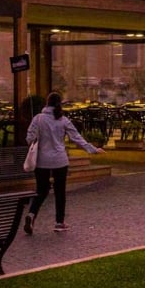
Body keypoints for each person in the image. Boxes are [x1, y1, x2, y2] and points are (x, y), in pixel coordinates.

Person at [24, 91, 103, 235]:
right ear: (60, 104)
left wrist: (38, 139)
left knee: (41, 190)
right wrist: (92, 149)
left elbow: (29, 139)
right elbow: (77, 138)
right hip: (60, 160)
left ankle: (31, 214)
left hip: (41, 161)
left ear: (46, 103)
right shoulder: (63, 120)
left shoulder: (38, 119)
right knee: (60, 192)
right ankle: (59, 222)